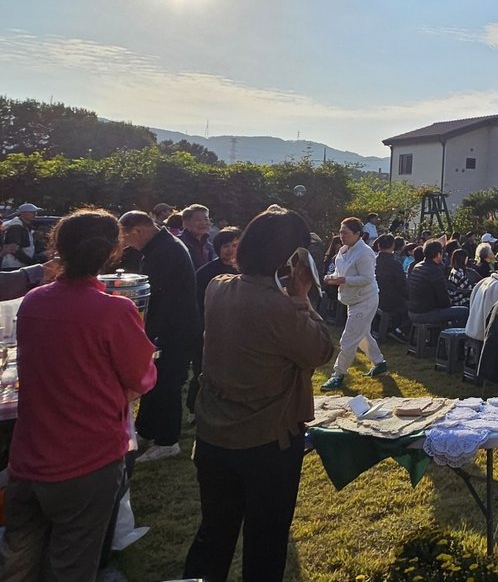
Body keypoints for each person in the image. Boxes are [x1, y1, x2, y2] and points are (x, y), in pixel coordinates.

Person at [184, 207, 336, 582]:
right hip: (267, 442)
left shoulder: (217, 287)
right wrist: (300, 296)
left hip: (214, 435)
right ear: (292, 259)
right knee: (265, 541)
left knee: (214, 534)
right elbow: (320, 350)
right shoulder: (281, 307)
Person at [4, 210, 157, 582]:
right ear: (113, 252)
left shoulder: (34, 301)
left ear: (57, 246)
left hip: (28, 454)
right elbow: (141, 376)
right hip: (87, 460)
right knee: (71, 565)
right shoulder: (114, 311)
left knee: (18, 563)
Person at [119, 210, 199, 462]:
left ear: (139, 231)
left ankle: (167, 440)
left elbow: (157, 297)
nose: (126, 245)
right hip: (169, 327)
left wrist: (147, 332)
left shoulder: (165, 251)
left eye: (126, 238)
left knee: (167, 384)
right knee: (154, 382)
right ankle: (146, 430)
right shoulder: (162, 246)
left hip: (173, 329)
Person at [321, 218, 386, 390]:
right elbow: (340, 271)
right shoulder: (343, 251)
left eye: (345, 233)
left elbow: (367, 278)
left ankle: (338, 374)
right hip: (352, 299)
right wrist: (332, 277)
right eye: (340, 232)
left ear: (357, 234)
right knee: (362, 334)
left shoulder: (365, 253)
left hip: (366, 299)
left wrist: (343, 280)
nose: (341, 236)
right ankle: (379, 363)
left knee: (348, 338)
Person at [187, 227, 240, 420]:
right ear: (218, 248)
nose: (230, 250)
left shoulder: (247, 272)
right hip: (208, 327)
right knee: (202, 369)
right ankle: (193, 408)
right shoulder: (206, 272)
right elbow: (196, 302)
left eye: (235, 245)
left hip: (236, 329)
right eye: (226, 246)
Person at [407, 240, 468, 327]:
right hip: (426, 314)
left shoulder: (417, 266)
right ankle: (452, 334)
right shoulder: (435, 270)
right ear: (438, 254)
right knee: (464, 311)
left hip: (413, 311)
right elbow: (444, 301)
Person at [374, 234, 408, 340]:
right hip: (389, 300)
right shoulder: (395, 264)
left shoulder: (372, 261)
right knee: (412, 305)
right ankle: (399, 331)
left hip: (373, 295)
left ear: (378, 246)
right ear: (393, 246)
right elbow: (402, 285)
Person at [2, 203, 42, 270]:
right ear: (23, 213)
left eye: (35, 212)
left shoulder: (24, 226)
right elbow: (13, 249)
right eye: (32, 212)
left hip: (20, 266)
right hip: (14, 266)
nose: (35, 214)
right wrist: (31, 262)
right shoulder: (16, 226)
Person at [178, 204, 217, 270]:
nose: (203, 223)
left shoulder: (208, 246)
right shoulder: (179, 244)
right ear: (186, 223)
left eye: (206, 219)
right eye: (198, 220)